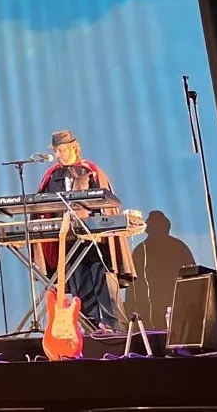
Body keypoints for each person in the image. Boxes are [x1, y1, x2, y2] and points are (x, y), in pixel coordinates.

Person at [34, 130, 135, 332]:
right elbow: (42, 208)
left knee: (105, 285)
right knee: (80, 289)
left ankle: (115, 332)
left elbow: (107, 204)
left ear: (73, 147)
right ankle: (90, 331)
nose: (60, 154)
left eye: (63, 149)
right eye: (56, 150)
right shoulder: (52, 176)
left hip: (96, 243)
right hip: (70, 243)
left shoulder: (90, 171)